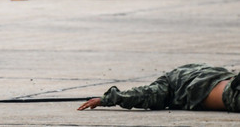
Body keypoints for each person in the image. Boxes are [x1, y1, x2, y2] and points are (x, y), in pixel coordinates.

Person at [78, 63, 240, 112]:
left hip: (231, 89)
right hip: (230, 88)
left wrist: (106, 99)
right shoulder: (170, 82)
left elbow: (143, 94)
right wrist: (107, 99)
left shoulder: (168, 84)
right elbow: (144, 94)